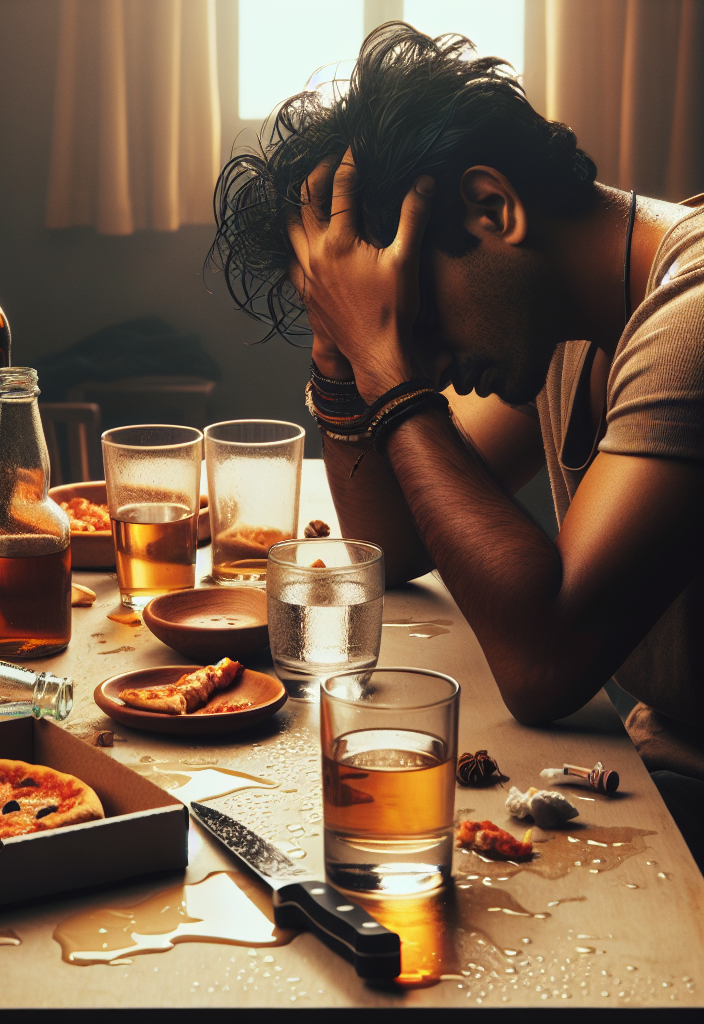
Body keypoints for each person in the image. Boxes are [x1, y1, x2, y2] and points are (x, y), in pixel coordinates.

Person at [210, 24, 702, 860]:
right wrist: (341, 358)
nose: (422, 356)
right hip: (657, 775)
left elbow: (541, 665)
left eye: (414, 312)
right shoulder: (563, 315)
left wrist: (388, 374)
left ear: (492, 210)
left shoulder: (690, 323)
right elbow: (395, 544)